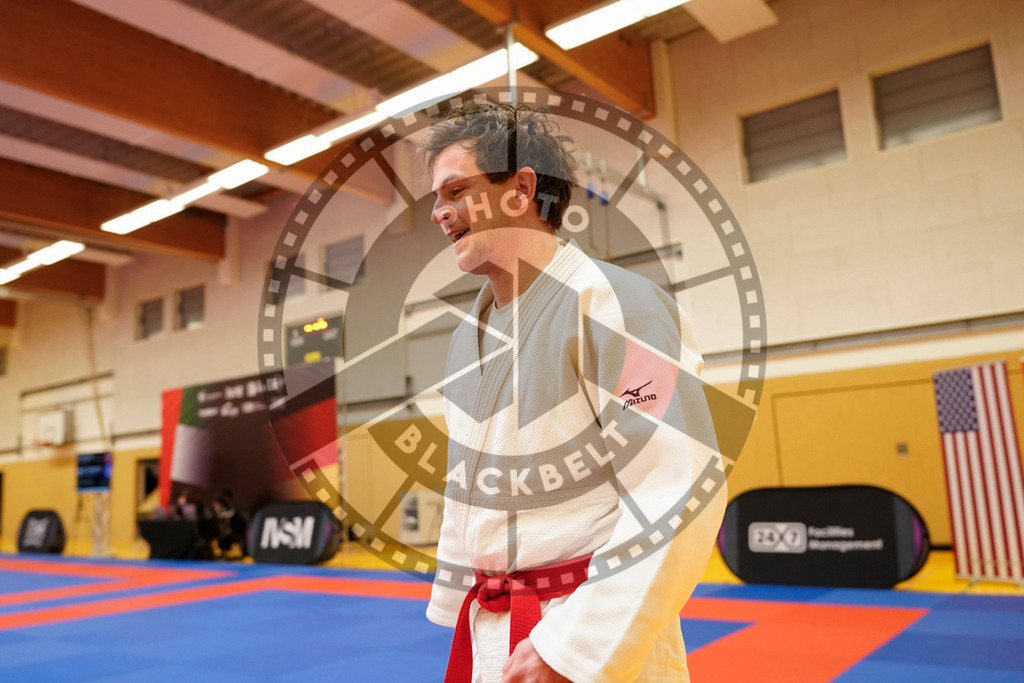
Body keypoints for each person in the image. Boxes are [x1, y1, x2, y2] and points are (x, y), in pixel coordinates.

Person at [422, 100, 725, 682]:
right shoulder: (467, 337)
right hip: (497, 626)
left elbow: (680, 483)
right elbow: (466, 481)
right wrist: (459, 588)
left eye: (456, 191)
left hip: (585, 629)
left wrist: (575, 649)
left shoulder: (618, 305)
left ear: (521, 189)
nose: (440, 212)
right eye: (438, 198)